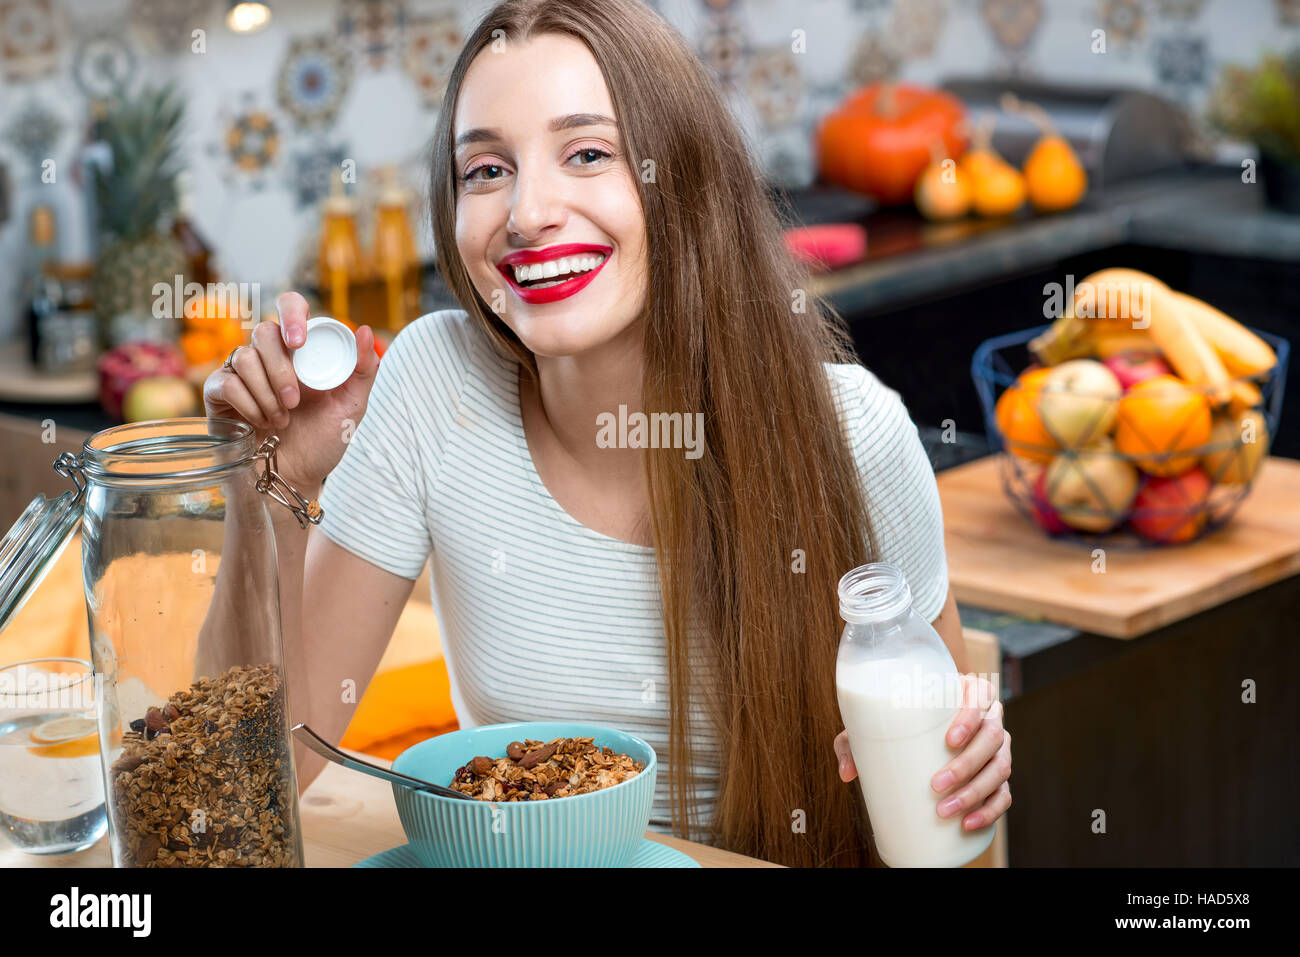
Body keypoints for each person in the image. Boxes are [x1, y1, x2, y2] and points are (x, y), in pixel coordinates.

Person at [203, 0, 1011, 867]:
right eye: (485, 170)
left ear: (684, 182)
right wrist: (267, 488)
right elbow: (237, 784)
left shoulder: (852, 435)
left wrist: (961, 773)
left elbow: (947, 822)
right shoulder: (435, 386)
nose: (527, 212)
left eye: (587, 153)